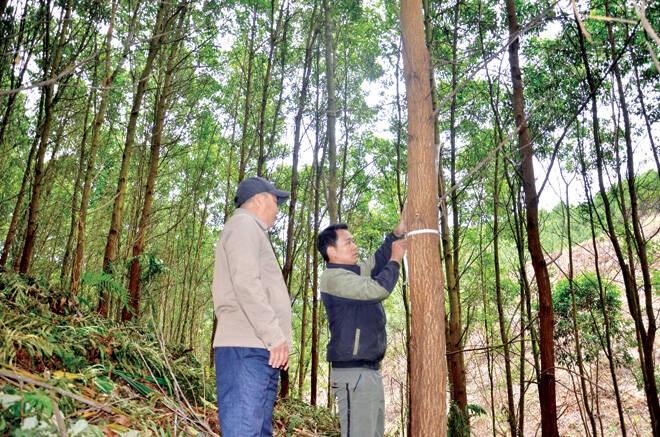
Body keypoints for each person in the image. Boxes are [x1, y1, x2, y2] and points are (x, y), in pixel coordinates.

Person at [211, 176, 292, 437]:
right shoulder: (244, 224)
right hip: (246, 347)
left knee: (257, 431)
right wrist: (274, 335)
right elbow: (246, 282)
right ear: (258, 200)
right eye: (275, 201)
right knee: (245, 431)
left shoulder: (252, 230)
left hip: (259, 349)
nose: (278, 209)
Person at [317, 215, 408, 437]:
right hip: (353, 374)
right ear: (332, 252)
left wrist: (396, 234)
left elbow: (375, 262)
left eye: (353, 241)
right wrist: (396, 260)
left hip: (369, 372)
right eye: (347, 242)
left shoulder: (353, 274)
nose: (354, 246)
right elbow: (378, 289)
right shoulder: (333, 278)